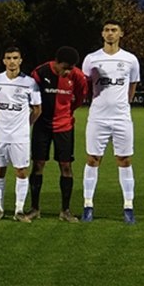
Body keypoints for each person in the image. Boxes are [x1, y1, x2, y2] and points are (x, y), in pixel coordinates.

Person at [81, 20, 141, 223]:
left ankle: (128, 206)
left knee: (124, 160)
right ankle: (88, 204)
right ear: (102, 33)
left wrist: (123, 105)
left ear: (121, 33)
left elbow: (132, 86)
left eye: (114, 30)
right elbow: (85, 85)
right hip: (97, 117)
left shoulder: (130, 60)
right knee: (92, 159)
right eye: (106, 30)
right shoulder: (91, 59)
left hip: (121, 117)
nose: (110, 33)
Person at [27, 46, 87, 222]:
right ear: (56, 62)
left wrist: (66, 113)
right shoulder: (39, 73)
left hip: (64, 127)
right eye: (65, 67)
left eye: (71, 68)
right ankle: (34, 208)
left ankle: (65, 210)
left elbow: (79, 99)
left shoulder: (78, 76)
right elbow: (32, 98)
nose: (68, 72)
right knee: (38, 165)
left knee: (66, 166)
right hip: (42, 127)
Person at [0, 47, 42, 222]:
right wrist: (1, 123)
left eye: (15, 58)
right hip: (0, 134)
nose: (12, 61)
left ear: (20, 60)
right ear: (4, 61)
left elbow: (37, 109)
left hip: (20, 136)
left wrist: (25, 125)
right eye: (8, 58)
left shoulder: (30, 82)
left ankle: (19, 210)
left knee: (21, 171)